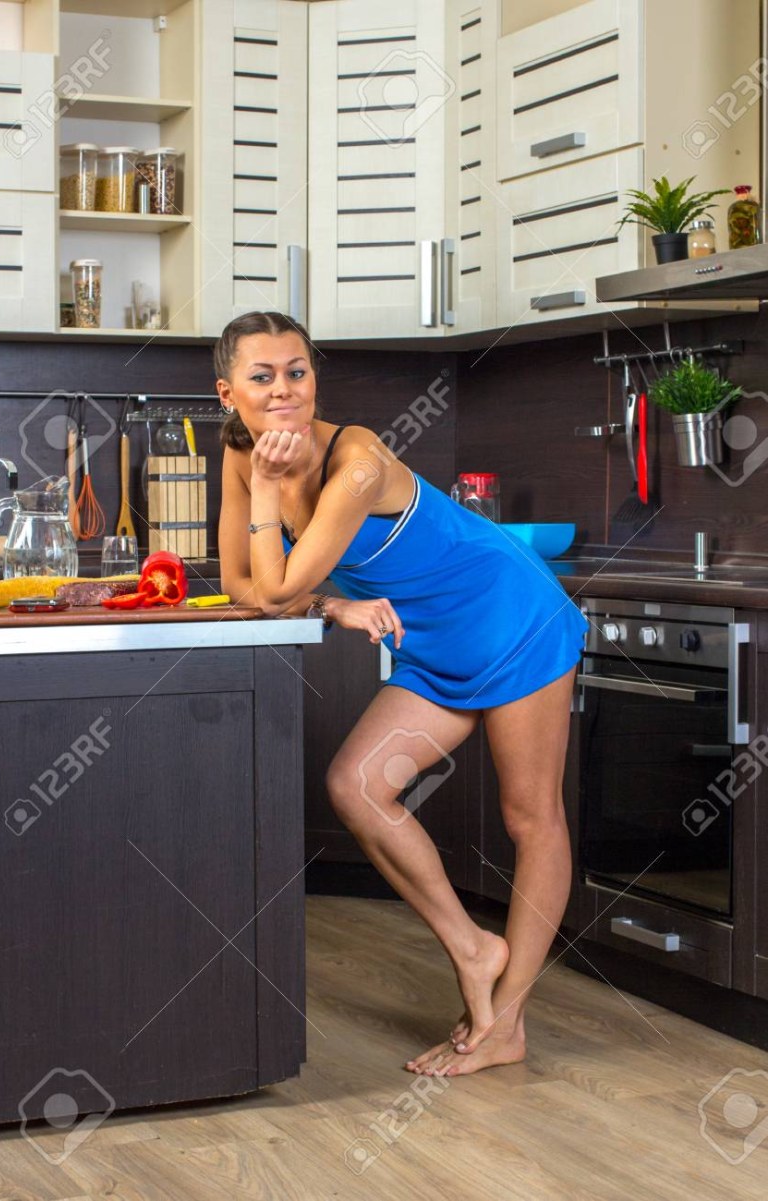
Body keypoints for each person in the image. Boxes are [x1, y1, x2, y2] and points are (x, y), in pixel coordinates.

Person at [216, 310, 588, 1078]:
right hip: (432, 643)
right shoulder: (239, 453)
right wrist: (338, 605)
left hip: (511, 614)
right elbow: (239, 587)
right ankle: (472, 946)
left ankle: (508, 1018)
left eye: (297, 371)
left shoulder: (355, 460)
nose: (284, 389)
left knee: (531, 814)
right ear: (228, 392)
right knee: (356, 785)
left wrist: (272, 494)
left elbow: (277, 586)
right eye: (262, 376)